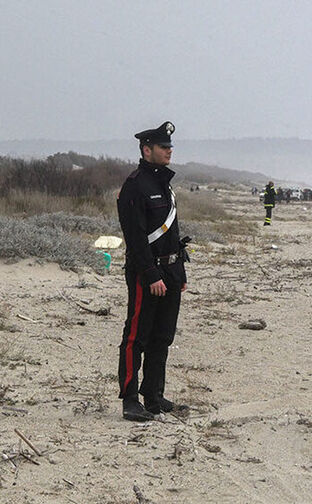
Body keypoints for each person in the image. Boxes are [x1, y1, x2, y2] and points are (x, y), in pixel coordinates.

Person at [116, 121, 189, 422]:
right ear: (147, 150)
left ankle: (154, 395)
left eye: (170, 146)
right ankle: (130, 399)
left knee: (163, 336)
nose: (169, 150)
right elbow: (135, 238)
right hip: (147, 274)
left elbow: (172, 233)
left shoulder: (164, 184)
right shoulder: (135, 186)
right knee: (137, 337)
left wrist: (179, 274)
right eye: (163, 146)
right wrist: (150, 274)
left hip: (171, 271)